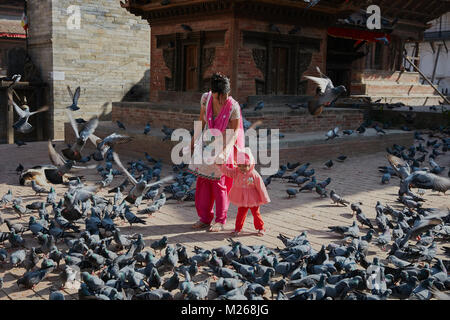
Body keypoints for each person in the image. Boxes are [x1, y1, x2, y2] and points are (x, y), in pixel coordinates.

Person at [188, 73, 244, 232]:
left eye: (226, 96)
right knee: (203, 182)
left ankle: (220, 220)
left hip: (224, 146)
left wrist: (224, 153)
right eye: (220, 97)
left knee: (219, 184)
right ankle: (204, 218)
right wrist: (193, 141)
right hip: (206, 144)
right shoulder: (206, 99)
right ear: (213, 93)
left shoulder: (233, 107)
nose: (223, 100)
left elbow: (234, 134)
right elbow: (201, 121)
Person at [216, 148, 270, 237]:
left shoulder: (254, 174)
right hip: (242, 198)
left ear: (251, 164)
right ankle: (237, 229)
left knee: (256, 214)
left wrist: (264, 198)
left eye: (245, 166)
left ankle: (261, 228)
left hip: (253, 199)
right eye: (240, 166)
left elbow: (261, 187)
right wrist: (221, 166)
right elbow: (228, 172)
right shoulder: (236, 171)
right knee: (240, 214)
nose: (242, 168)